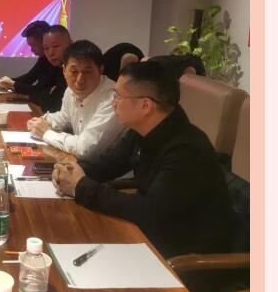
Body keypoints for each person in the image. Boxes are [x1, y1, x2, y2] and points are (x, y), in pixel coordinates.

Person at [53, 61, 235, 259]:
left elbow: (149, 213)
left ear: (145, 105)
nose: (113, 103)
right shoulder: (144, 128)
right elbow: (108, 163)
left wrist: (80, 186)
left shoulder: (186, 150)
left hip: (186, 255)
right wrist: (71, 170)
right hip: (153, 237)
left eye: (118, 97)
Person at [27, 40, 126, 161]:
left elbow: (86, 149)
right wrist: (44, 120)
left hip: (105, 168)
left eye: (87, 72)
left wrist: (46, 133)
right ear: (64, 70)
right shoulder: (71, 90)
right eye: (73, 71)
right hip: (80, 163)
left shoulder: (113, 99)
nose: (80, 80)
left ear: (100, 70)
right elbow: (65, 117)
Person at [0, 21, 55, 97]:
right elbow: (29, 78)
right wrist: (7, 82)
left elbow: (40, 91)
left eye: (34, 45)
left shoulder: (59, 63)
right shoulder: (43, 58)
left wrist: (12, 83)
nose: (32, 50)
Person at [32, 25, 72, 113]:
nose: (50, 53)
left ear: (71, 44)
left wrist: (48, 93)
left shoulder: (77, 71)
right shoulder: (57, 67)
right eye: (46, 48)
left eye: (55, 46)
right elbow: (37, 92)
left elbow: (53, 106)